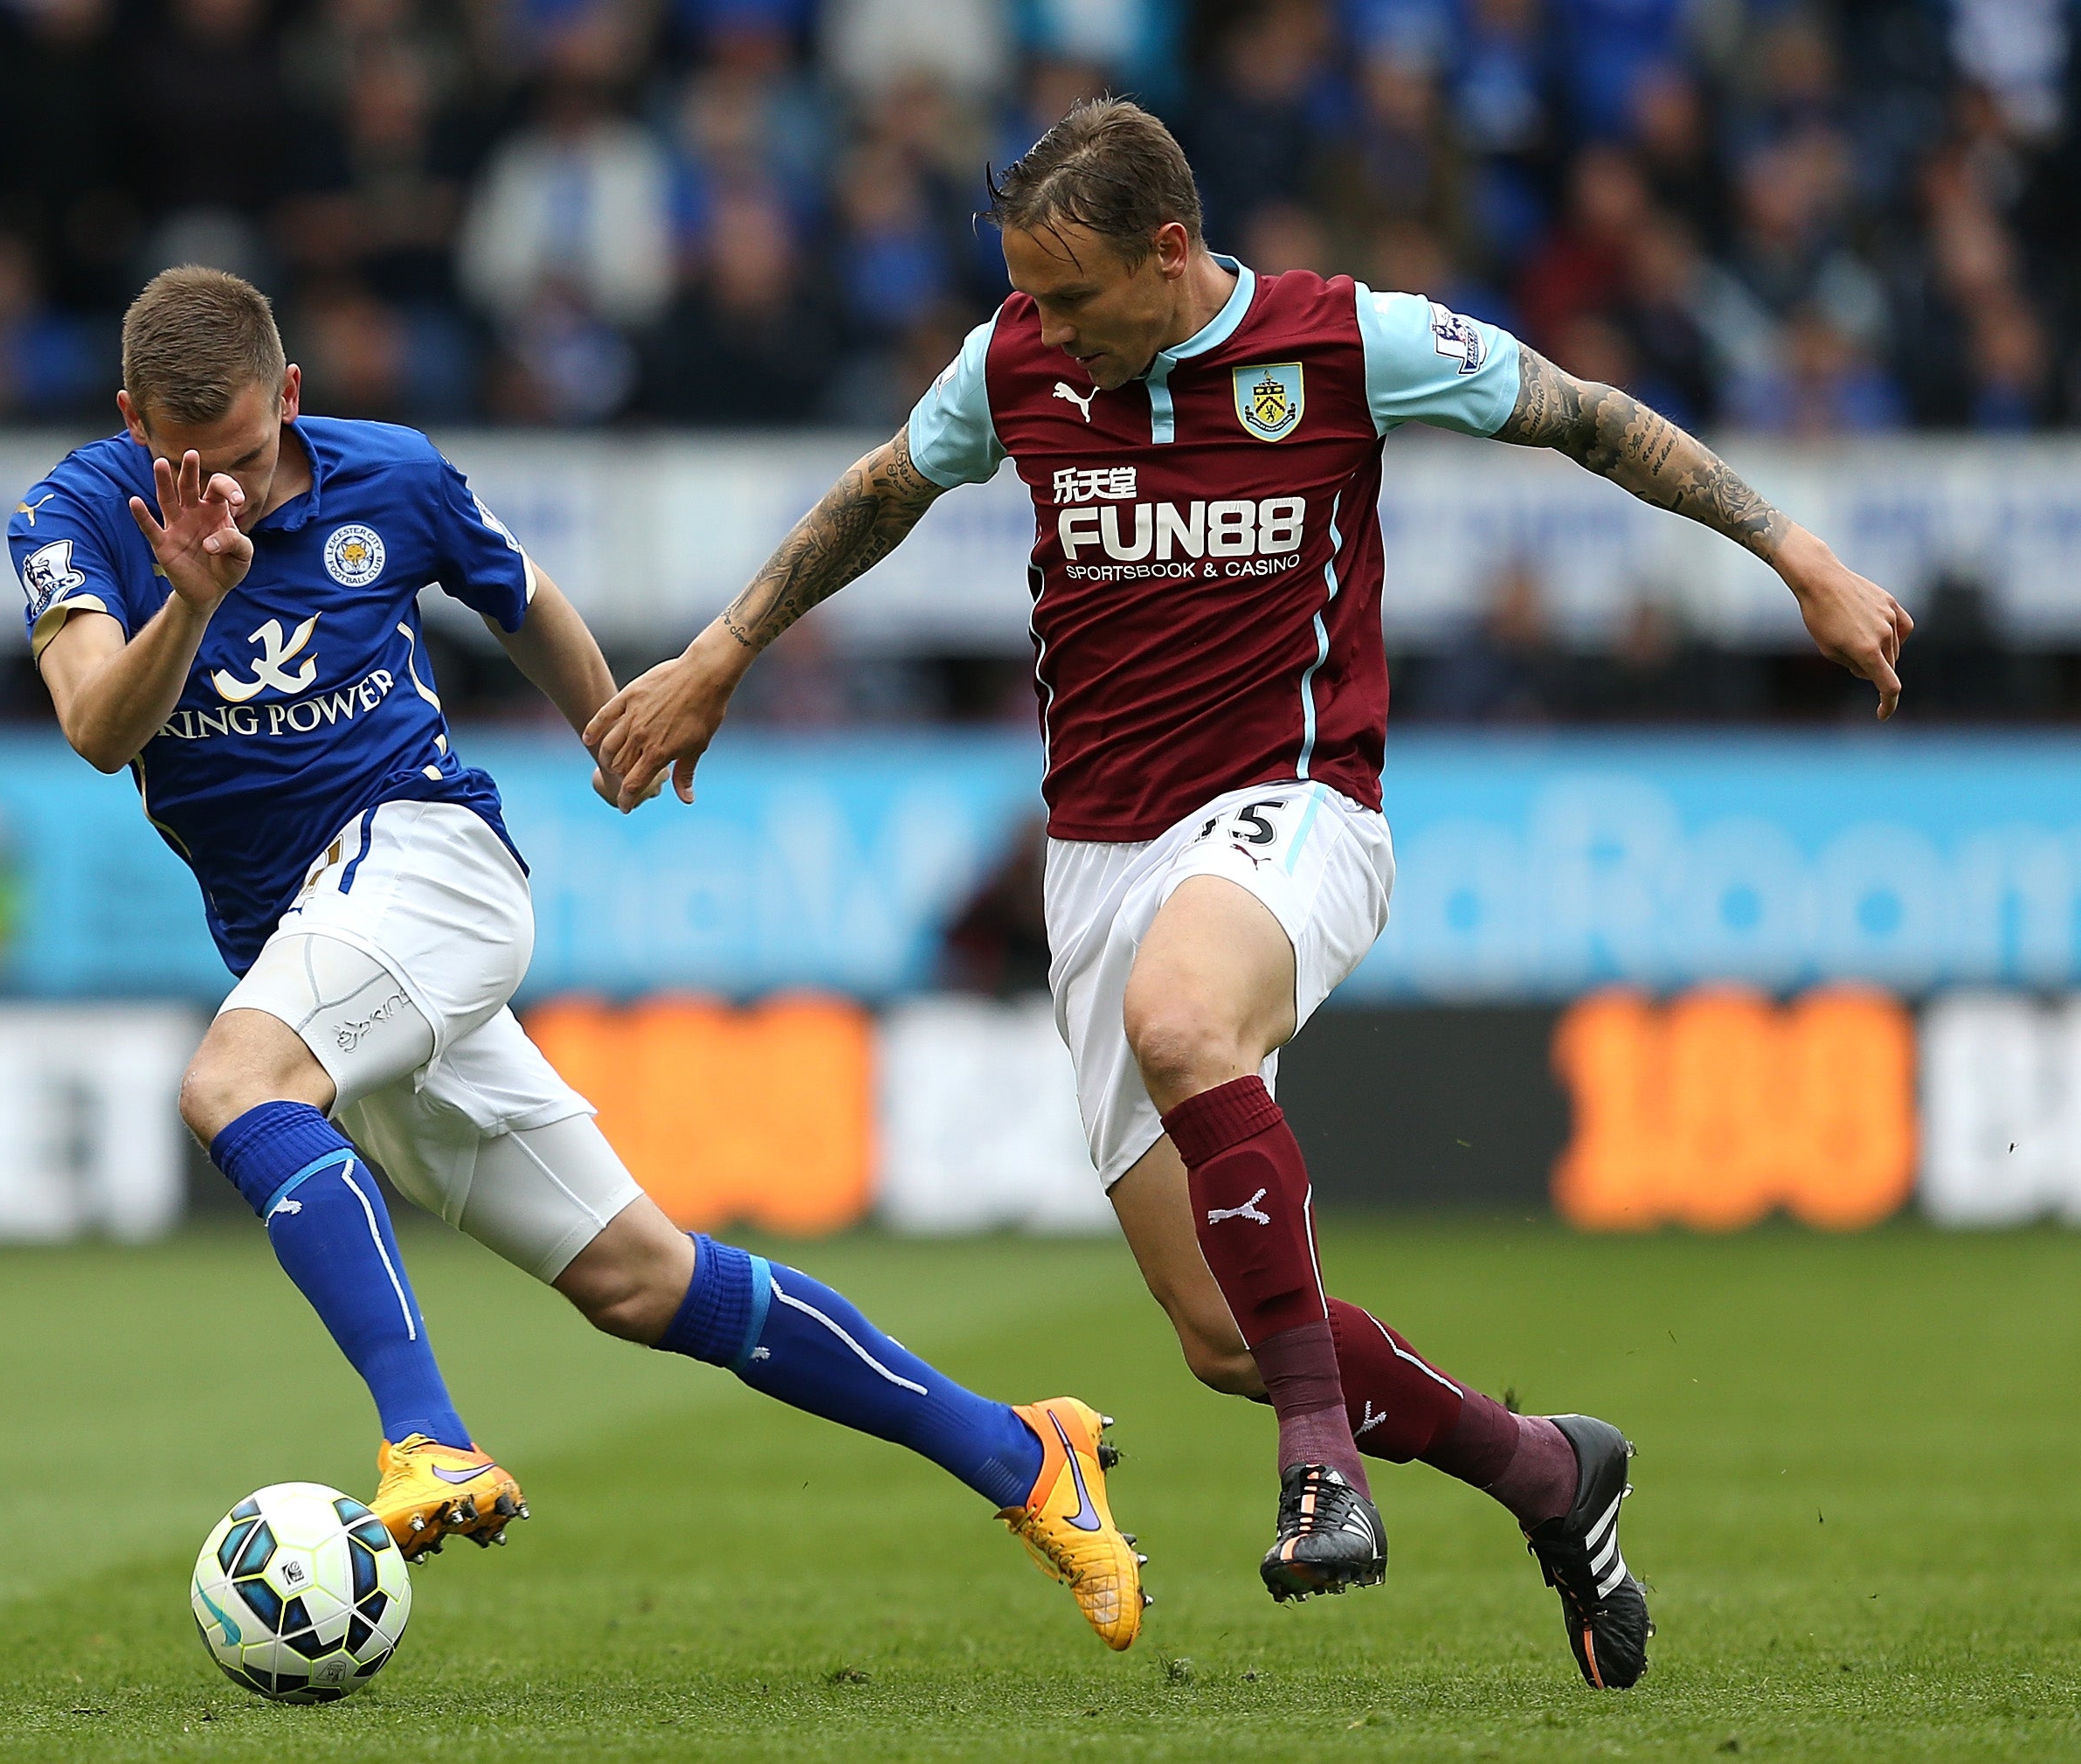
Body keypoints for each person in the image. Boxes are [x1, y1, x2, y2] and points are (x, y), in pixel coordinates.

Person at [586, 99, 1915, 1692]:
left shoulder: (1345, 342)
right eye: (1027, 297)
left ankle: (1320, 1470)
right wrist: (722, 652)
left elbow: (1586, 413)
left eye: (1072, 296)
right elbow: (884, 486)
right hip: (1099, 854)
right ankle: (1550, 1474)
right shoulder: (1014, 360)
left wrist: (1798, 557)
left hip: (1298, 809)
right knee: (1227, 1336)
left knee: (1184, 1013)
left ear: (1172, 249)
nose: (1046, 330)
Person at [6, 266, 1146, 1651]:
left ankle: (424, 1436)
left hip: (426, 861)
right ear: (133, 420)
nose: (227, 496)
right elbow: (96, 730)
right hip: (320, 952)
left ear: (290, 398)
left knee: (236, 1088)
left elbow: (520, 592)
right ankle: (1025, 1455)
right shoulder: (71, 518)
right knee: (639, 1282)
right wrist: (188, 602)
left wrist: (612, 724)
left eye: (247, 458)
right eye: (192, 468)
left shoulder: (396, 476)